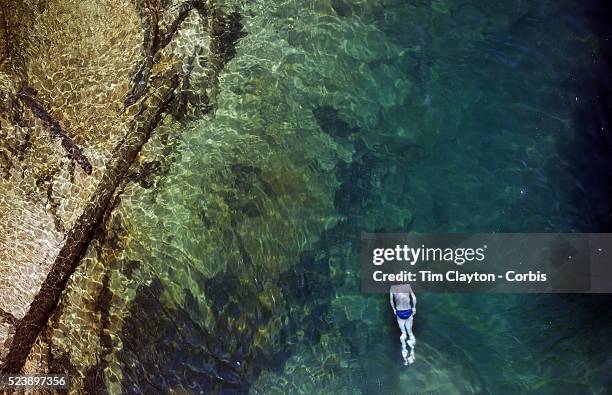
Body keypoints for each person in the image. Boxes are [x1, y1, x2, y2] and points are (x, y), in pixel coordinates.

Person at [390, 283, 417, 365]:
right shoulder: (407, 286)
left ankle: (404, 351)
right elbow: (414, 298)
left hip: (400, 312)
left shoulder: (393, 288)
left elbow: (391, 300)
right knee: (410, 331)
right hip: (408, 311)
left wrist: (394, 309)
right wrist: (414, 307)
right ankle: (412, 349)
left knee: (403, 333)